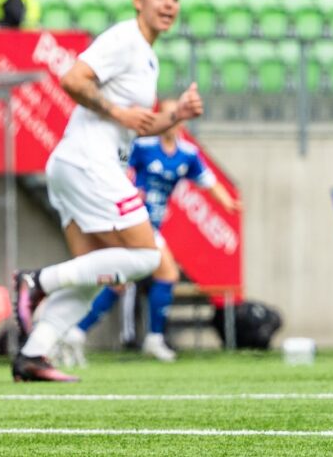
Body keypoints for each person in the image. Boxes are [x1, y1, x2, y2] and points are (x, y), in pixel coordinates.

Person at [12, 0, 205, 382]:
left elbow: (140, 125)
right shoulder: (124, 39)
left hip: (76, 163)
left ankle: (33, 355)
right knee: (147, 257)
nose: (169, 4)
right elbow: (72, 79)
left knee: (90, 276)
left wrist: (178, 114)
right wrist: (117, 111)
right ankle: (36, 280)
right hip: (90, 162)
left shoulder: (147, 56)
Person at [57, 105, 240, 367]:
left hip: (149, 225)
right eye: (167, 116)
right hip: (132, 221)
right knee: (166, 273)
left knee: (118, 282)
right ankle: (152, 338)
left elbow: (208, 181)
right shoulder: (143, 146)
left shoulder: (187, 154)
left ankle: (75, 333)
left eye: (175, 117)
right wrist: (128, 188)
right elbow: (117, 165)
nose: (171, 123)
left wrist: (228, 203)